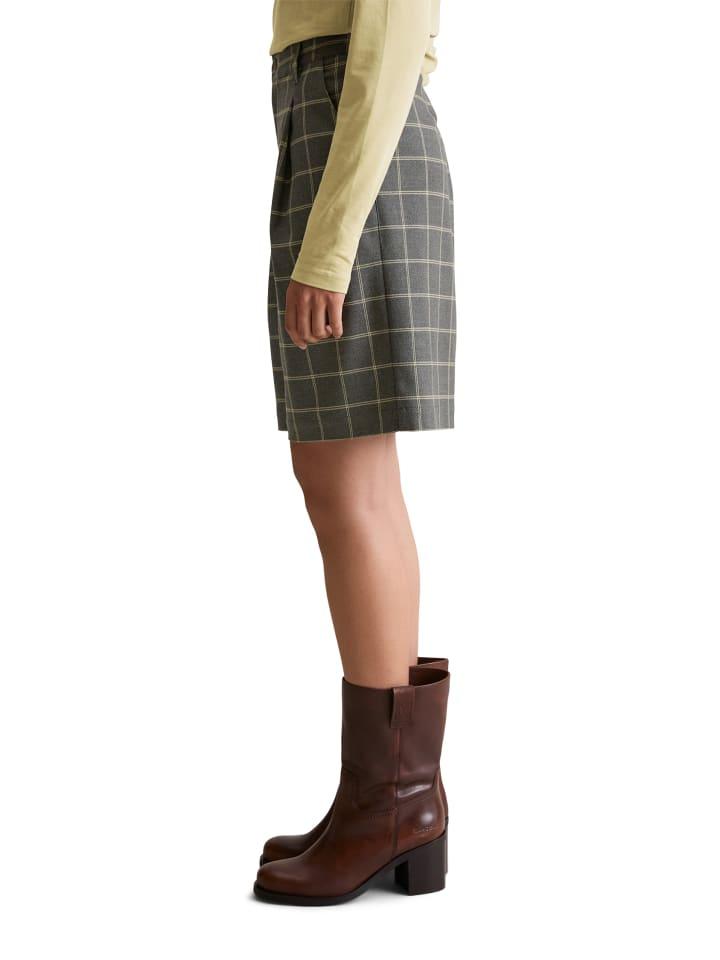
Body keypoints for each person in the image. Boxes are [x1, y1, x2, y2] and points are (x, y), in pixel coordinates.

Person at [254, 0, 455, 906]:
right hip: (337, 142)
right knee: (350, 480)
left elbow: (394, 36)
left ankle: (393, 805)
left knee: (349, 483)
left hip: (358, 157)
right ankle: (384, 799)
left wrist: (330, 246)